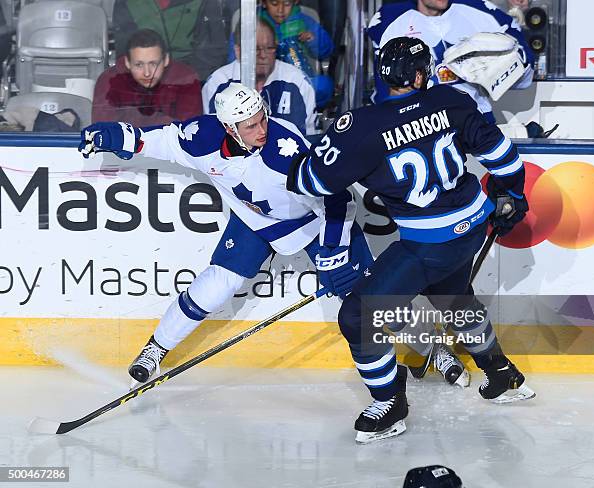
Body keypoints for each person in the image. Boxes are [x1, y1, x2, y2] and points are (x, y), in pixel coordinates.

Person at [287, 37, 535, 443]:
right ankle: (501, 373)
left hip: (428, 244)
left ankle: (391, 403)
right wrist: (512, 196)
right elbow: (505, 159)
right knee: (452, 297)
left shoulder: (361, 126)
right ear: (421, 74)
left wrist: (301, 158)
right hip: (472, 226)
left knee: (357, 319)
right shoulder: (453, 101)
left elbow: (308, 181)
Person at [79, 82, 372, 398]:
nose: (262, 128)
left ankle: (427, 340)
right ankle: (155, 350)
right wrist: (120, 137)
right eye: (251, 126)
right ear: (229, 129)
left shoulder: (285, 153)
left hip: (315, 223)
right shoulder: (204, 136)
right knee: (219, 282)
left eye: (263, 118)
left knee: (369, 296)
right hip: (255, 220)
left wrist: (334, 250)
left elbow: (337, 199)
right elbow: (165, 141)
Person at [367, 0, 535, 122]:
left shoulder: (479, 11)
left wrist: (499, 70)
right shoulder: (391, 21)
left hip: (474, 119)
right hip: (419, 124)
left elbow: (525, 70)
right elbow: (385, 90)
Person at [203, 20, 316, 135]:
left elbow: (307, 138)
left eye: (269, 48)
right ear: (238, 51)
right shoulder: (218, 82)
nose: (263, 55)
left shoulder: (297, 81)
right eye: (256, 49)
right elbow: (212, 137)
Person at [92, 29, 203, 126]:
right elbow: (103, 132)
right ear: (127, 63)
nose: (147, 73)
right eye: (139, 65)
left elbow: (190, 133)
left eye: (153, 64)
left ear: (166, 60)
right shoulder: (109, 81)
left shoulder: (185, 79)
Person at [260, 0, 334, 108]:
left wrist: (312, 40)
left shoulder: (304, 21)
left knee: (324, 84)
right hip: (267, 83)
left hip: (301, 80)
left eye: (286, 4)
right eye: (274, 3)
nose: (280, 10)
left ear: (295, 1)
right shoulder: (255, 23)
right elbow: (236, 56)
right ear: (263, 3)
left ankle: (307, 110)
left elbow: (327, 50)